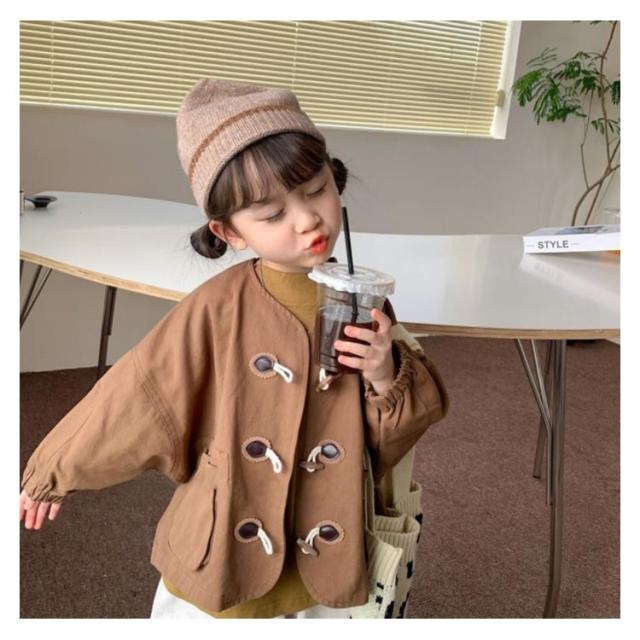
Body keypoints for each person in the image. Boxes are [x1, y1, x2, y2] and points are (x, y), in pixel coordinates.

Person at [19, 78, 450, 619]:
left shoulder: (364, 302)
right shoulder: (215, 307)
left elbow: (389, 442)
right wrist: (52, 472)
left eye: (317, 189)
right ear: (230, 232)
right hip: (229, 535)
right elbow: (137, 394)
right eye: (271, 215)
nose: (307, 219)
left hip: (331, 537)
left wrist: (385, 373)